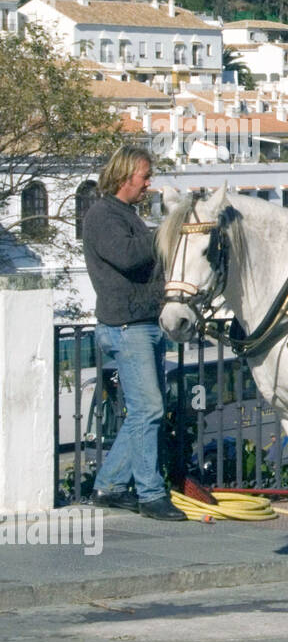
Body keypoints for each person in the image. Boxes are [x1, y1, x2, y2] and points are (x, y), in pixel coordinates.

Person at [83, 145, 187, 521]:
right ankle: (149, 494)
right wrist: (168, 230)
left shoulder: (119, 213)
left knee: (142, 412)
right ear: (127, 176)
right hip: (128, 327)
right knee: (149, 409)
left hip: (139, 323)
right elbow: (128, 256)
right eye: (145, 177)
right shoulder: (102, 215)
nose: (148, 184)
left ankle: (108, 488)